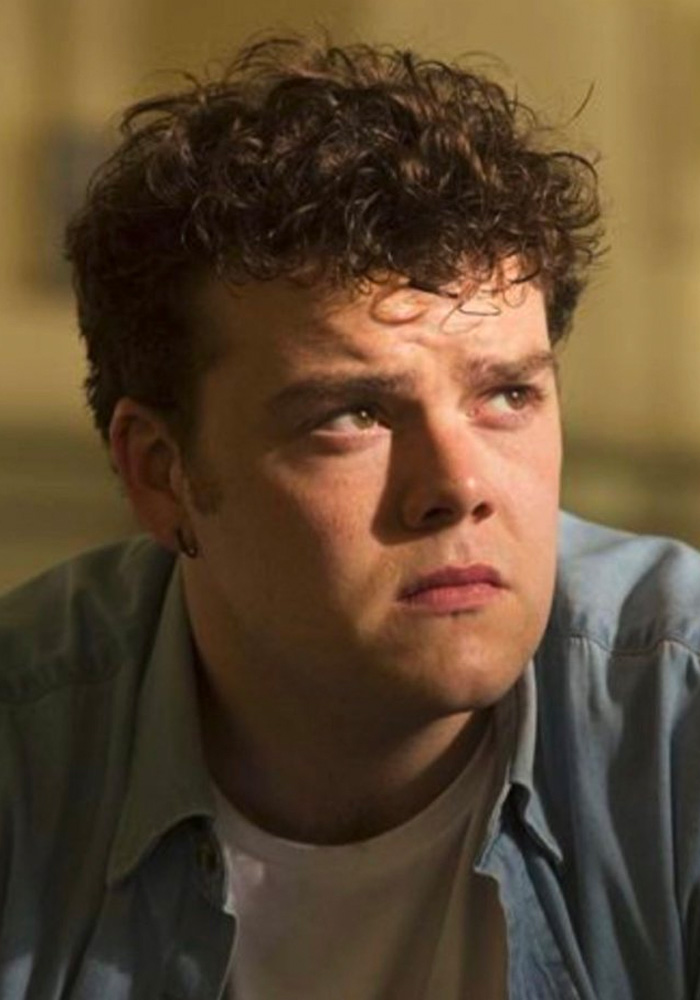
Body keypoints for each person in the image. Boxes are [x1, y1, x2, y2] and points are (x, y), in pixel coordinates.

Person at [0, 34, 698, 1000]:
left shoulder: (676, 713)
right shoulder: (24, 752)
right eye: (352, 415)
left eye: (507, 395)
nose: (460, 484)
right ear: (162, 475)